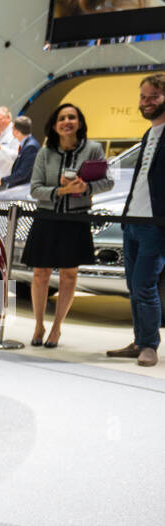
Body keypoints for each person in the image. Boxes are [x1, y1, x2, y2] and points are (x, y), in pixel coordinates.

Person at [23, 102, 112, 349]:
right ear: (54, 125)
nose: (67, 122)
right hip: (47, 218)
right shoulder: (44, 152)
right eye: (62, 118)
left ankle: (56, 327)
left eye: (72, 117)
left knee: (69, 275)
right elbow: (35, 189)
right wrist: (62, 190)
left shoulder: (93, 149)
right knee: (40, 274)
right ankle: (38, 324)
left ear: (80, 123)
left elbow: (108, 181)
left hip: (76, 219)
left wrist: (86, 188)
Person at [108, 73, 165, 367]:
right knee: (133, 284)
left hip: (156, 226)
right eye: (143, 97)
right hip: (132, 222)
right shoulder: (149, 134)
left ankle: (150, 346)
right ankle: (139, 340)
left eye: (153, 96)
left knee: (144, 285)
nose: (146, 102)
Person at [1, 115, 39, 188]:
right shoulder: (26, 144)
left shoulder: (31, 147)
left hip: (22, 189)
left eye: (12, 129)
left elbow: (22, 174)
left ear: (17, 131)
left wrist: (2, 180)